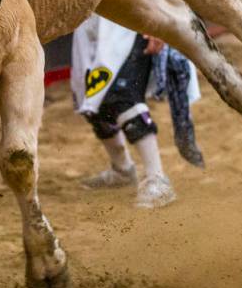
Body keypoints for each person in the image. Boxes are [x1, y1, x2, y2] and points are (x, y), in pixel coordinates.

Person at [71, 14, 204, 209]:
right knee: (91, 102)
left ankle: (157, 178)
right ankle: (122, 169)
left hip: (133, 14)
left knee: (121, 94)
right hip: (89, 17)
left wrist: (157, 22)